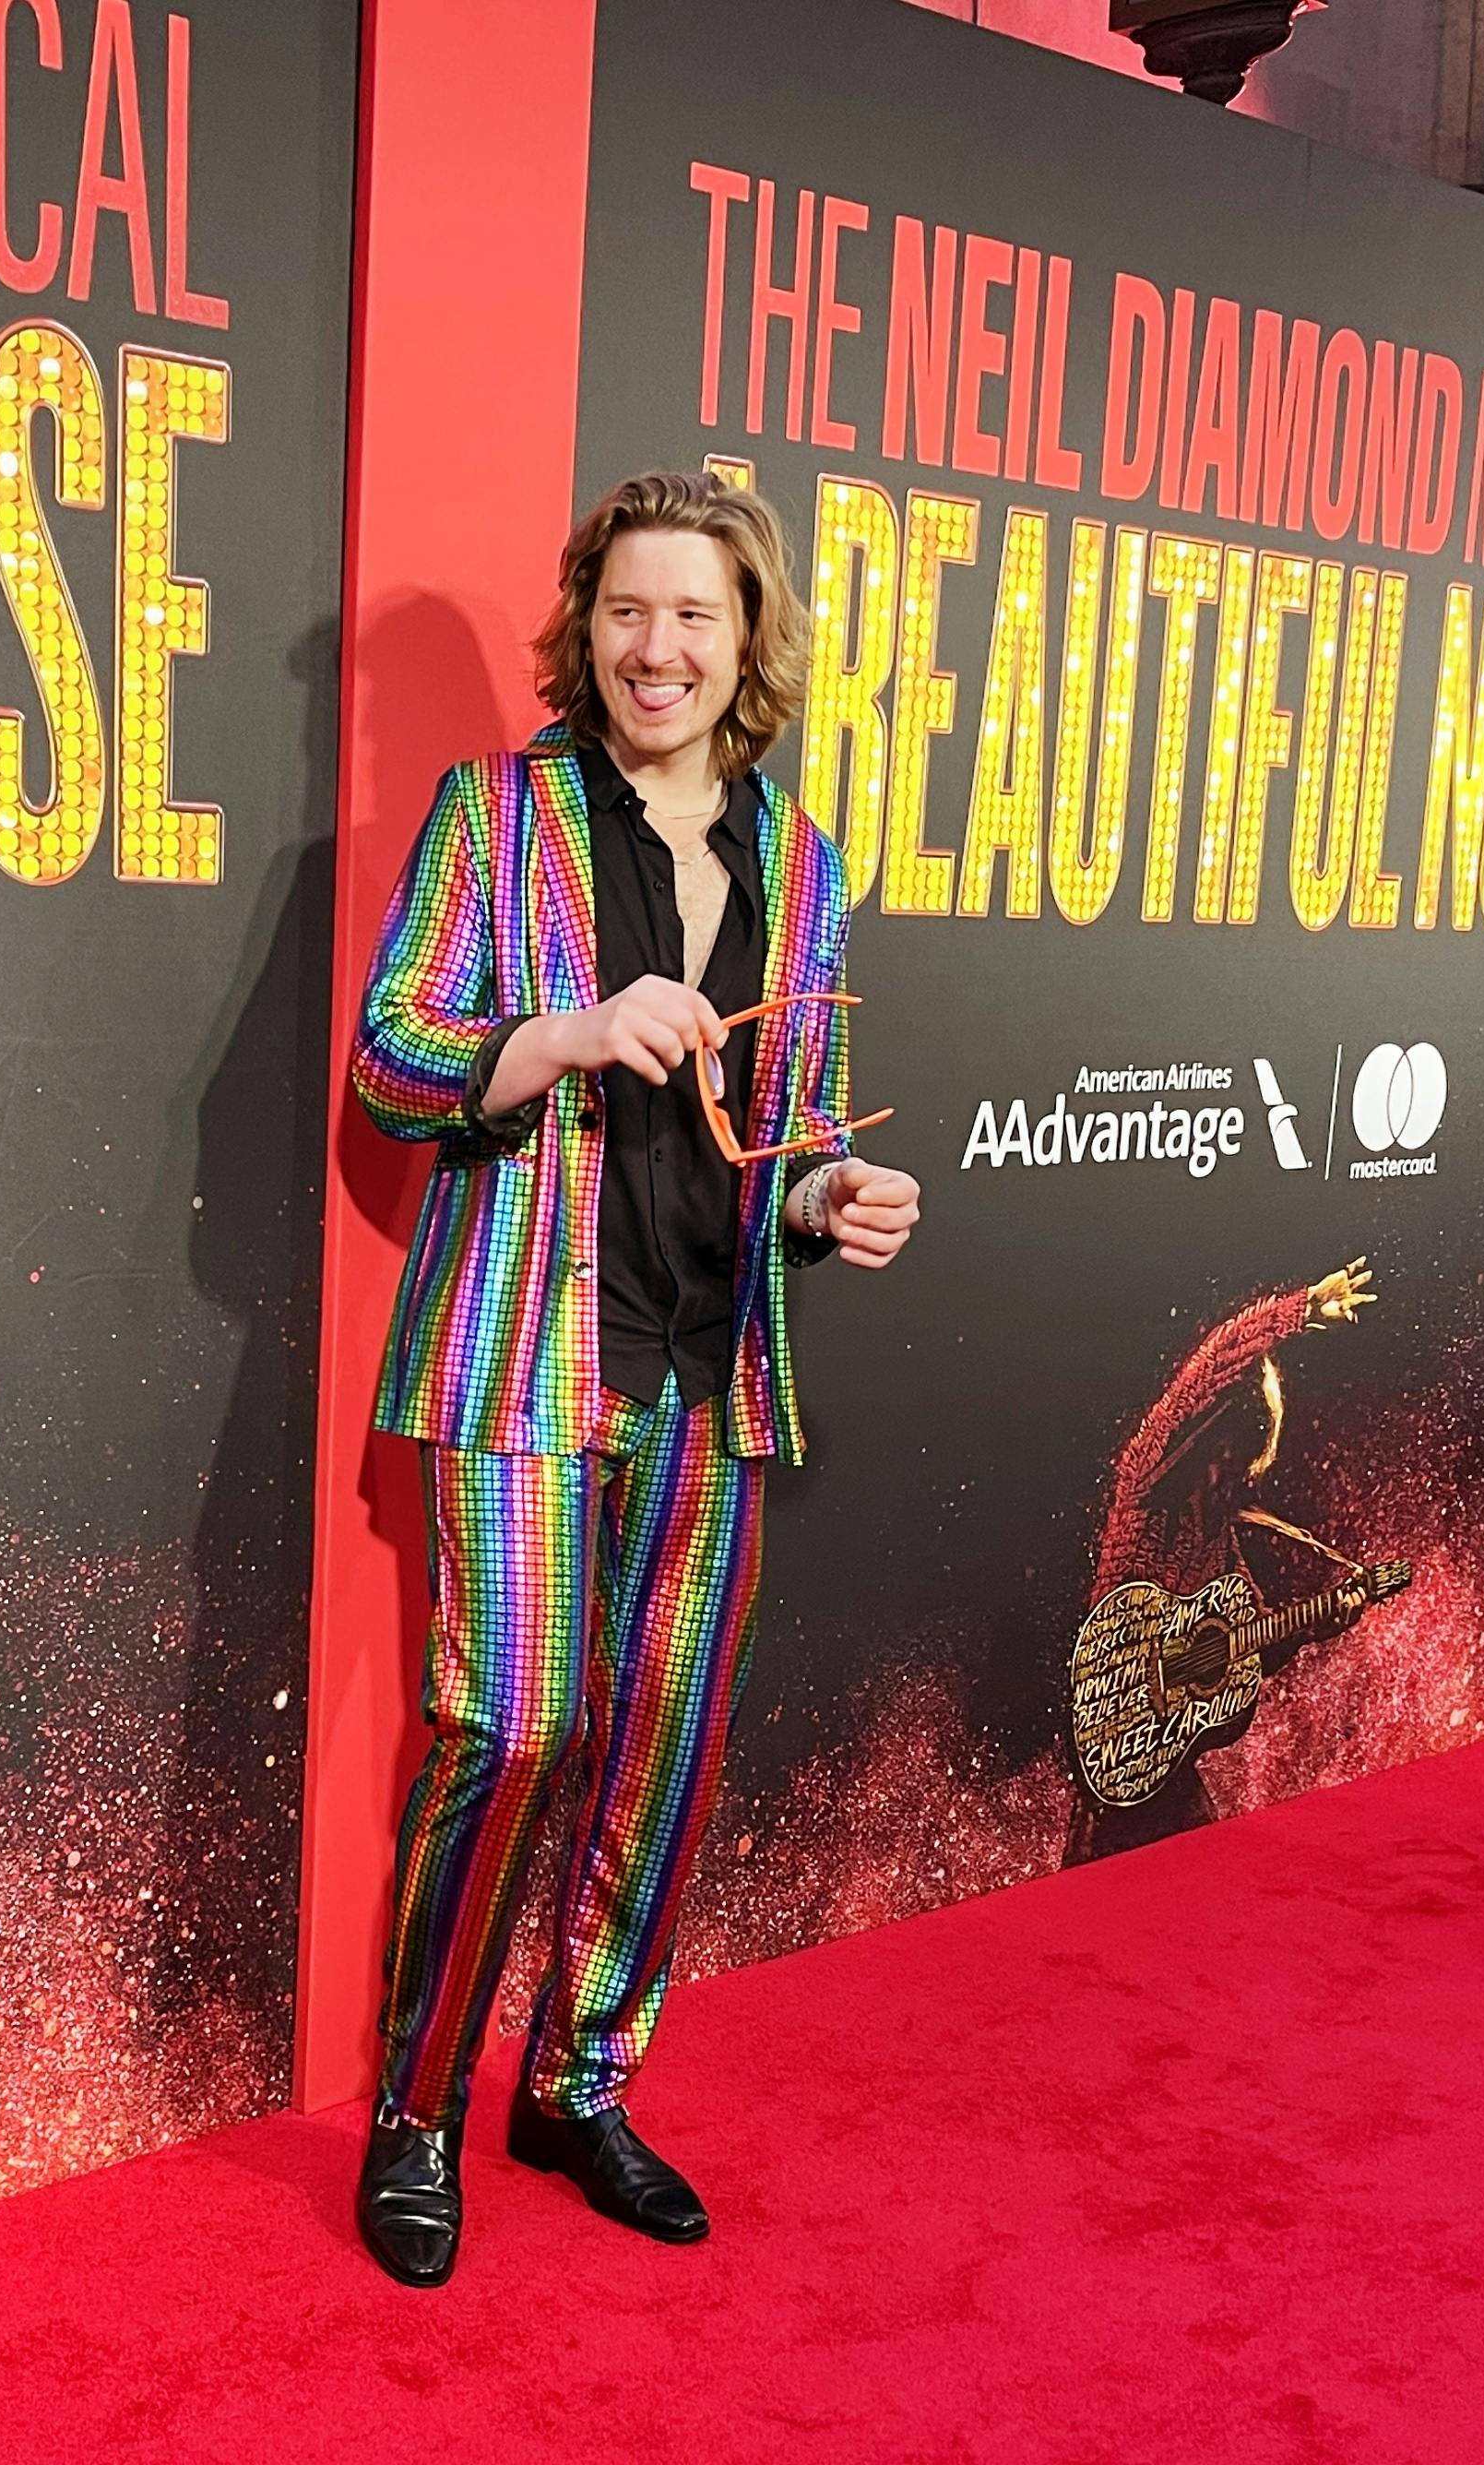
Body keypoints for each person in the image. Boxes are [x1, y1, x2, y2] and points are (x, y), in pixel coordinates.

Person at [347, 470, 920, 2286]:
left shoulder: (801, 861)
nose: (652, 646)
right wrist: (570, 1032)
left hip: (704, 1364)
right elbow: (390, 1058)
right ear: (583, 626)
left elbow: (793, 1123)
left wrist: (829, 1197)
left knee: (662, 1750)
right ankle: (415, 2117)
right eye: (622, 610)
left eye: (690, 614)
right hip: (524, 1353)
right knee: (512, 1727)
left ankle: (576, 2085)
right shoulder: (495, 815)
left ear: (748, 640)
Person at [1066, 1259, 1377, 1864]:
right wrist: (1296, 1313)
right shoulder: (1147, 1493)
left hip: (1166, 1767)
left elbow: (1247, 1650)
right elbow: (1202, 1379)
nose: (1243, 1477)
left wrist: (1319, 1622)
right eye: (1236, 1457)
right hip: (1115, 1771)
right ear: (1210, 1440)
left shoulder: (1221, 1550)